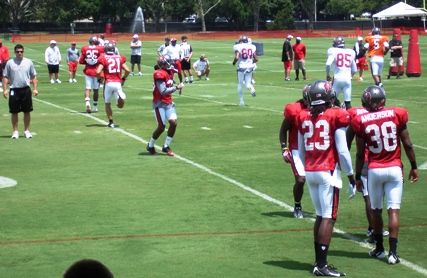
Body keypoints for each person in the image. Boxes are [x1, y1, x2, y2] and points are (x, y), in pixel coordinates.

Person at [351, 85, 418, 265]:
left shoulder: (361, 120)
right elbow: (408, 144)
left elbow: (359, 154)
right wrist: (414, 166)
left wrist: (358, 176)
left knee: (376, 210)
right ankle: (393, 254)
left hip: (374, 169)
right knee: (393, 211)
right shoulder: (396, 114)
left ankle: (380, 249)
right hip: (395, 167)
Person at [297, 79, 355, 276]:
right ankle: (321, 265)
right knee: (329, 218)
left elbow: (301, 150)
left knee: (321, 216)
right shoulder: (335, 114)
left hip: (311, 170)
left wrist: (305, 170)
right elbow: (343, 149)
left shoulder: (303, 116)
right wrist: (351, 175)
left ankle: (318, 262)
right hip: (328, 171)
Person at [346, 105, 389, 244]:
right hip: (381, 159)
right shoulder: (383, 114)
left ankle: (373, 228)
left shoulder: (356, 115)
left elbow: (347, 141)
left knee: (368, 197)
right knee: (375, 197)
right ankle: (374, 229)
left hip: (364, 160)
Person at [279, 83, 311, 219]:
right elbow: (283, 130)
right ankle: (297, 205)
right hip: (297, 149)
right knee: (300, 180)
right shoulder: (295, 109)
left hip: (314, 149)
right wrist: (284, 148)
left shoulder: (324, 109)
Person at [147, 55, 184, 157]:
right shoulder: (159, 74)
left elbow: (171, 81)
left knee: (173, 123)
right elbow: (163, 91)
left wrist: (177, 86)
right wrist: (177, 87)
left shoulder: (170, 71)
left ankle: (166, 146)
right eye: (169, 62)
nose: (171, 64)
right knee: (161, 127)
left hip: (168, 102)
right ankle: (150, 146)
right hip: (159, 103)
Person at [2, 44, 38, 139]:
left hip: (25, 89)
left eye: (21, 51)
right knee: (14, 112)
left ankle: (26, 131)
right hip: (14, 89)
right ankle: (15, 131)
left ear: (23, 52)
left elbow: (33, 76)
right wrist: (5, 89)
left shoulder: (28, 62)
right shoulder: (10, 63)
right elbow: (5, 76)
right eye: (17, 51)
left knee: (27, 111)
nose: (19, 53)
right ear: (14, 52)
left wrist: (35, 88)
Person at [97, 43, 130, 128]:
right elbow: (127, 70)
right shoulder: (120, 57)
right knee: (120, 106)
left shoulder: (103, 57)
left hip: (108, 82)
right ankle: (119, 97)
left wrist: (99, 79)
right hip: (118, 83)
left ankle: (111, 122)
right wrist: (123, 79)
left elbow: (98, 72)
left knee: (107, 103)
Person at [326, 36, 357, 110]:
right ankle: (350, 118)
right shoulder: (350, 52)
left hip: (337, 78)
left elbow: (328, 64)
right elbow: (355, 70)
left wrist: (328, 75)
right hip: (347, 79)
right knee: (348, 103)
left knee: (331, 100)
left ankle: (339, 106)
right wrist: (350, 76)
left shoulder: (332, 51)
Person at [79, 35, 104, 113]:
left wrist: (88, 61)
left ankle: (87, 102)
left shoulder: (85, 48)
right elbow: (102, 60)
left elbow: (81, 61)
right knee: (96, 90)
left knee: (88, 88)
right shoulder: (100, 48)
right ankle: (95, 106)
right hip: (97, 71)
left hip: (88, 70)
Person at [232, 35, 258, 106]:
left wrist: (234, 62)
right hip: (249, 67)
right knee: (248, 84)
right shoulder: (252, 46)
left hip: (241, 67)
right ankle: (252, 89)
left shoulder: (237, 46)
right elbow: (256, 59)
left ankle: (241, 102)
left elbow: (237, 57)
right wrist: (251, 63)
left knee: (240, 85)